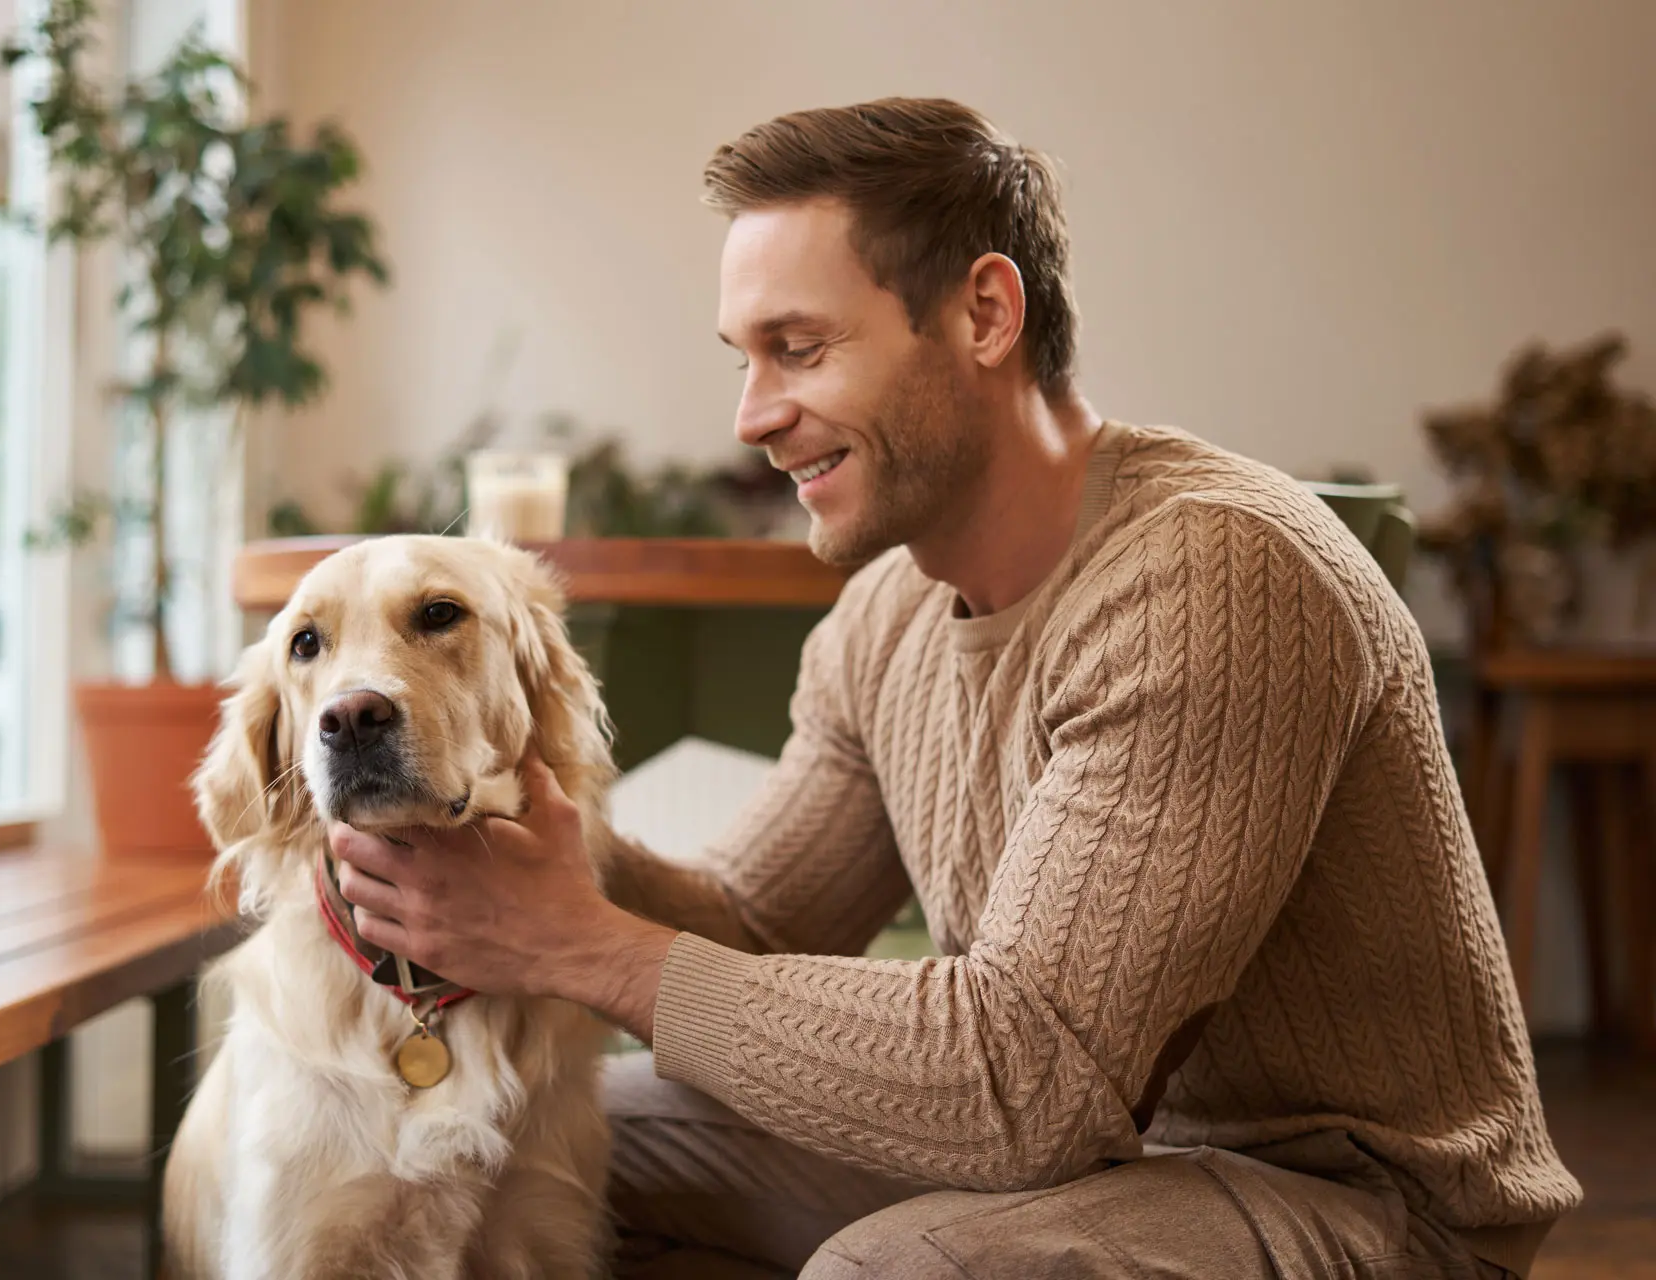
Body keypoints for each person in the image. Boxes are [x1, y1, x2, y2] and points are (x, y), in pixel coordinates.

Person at [329, 97, 1580, 1278]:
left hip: (1364, 1205)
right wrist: (550, 849)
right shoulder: (888, 609)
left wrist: (578, 942)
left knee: (902, 1270)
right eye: (743, 359)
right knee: (543, 1145)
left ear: (986, 313)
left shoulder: (1216, 576)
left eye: (799, 349)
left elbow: (1025, 1080)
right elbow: (761, 927)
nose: (754, 415)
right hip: (1105, 1158)